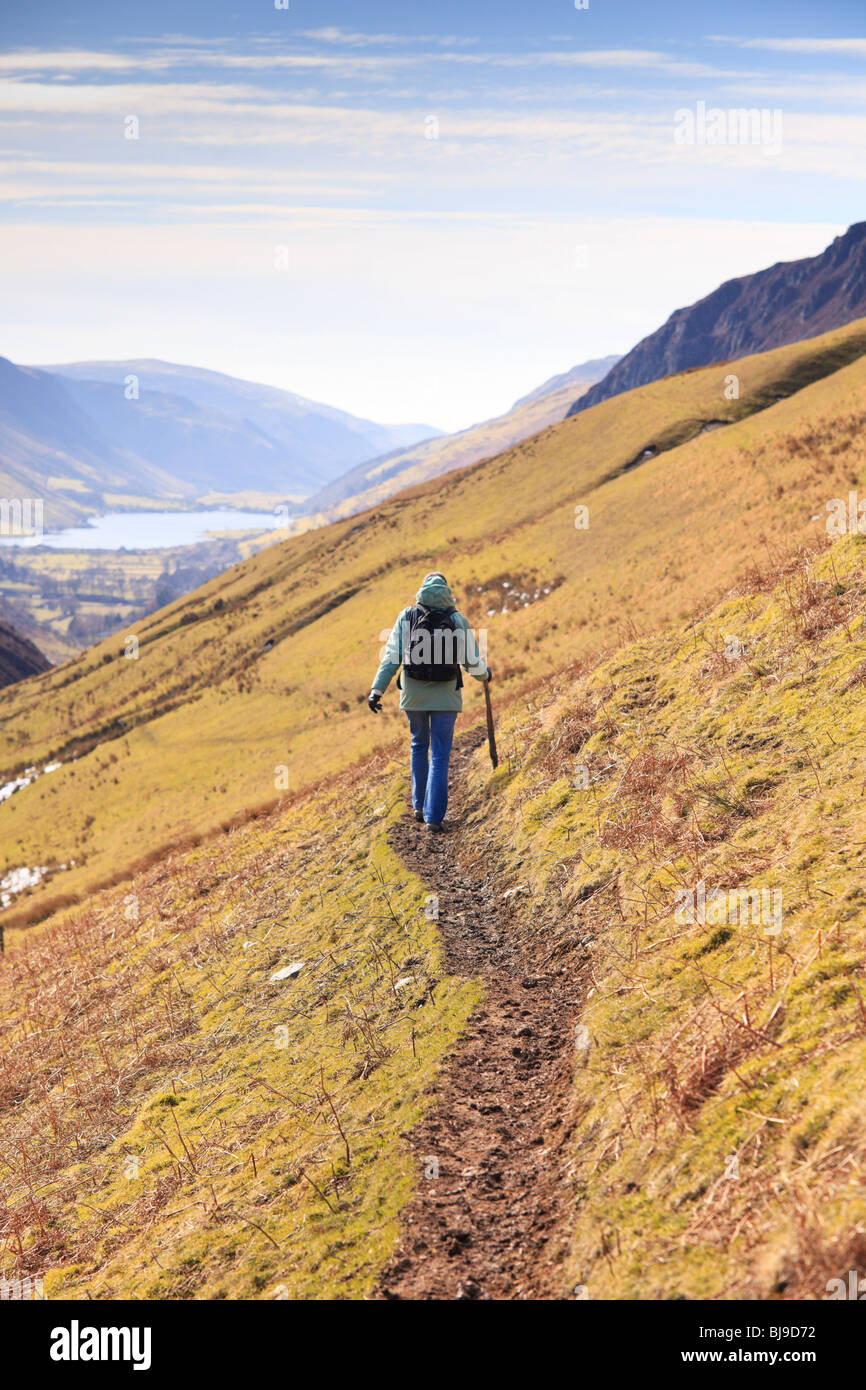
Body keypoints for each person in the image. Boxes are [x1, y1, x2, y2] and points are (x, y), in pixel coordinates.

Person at [368, 572, 491, 831]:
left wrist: (377, 690)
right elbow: (470, 661)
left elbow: (392, 657)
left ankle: (419, 807)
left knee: (418, 746)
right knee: (440, 755)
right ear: (447, 591)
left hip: (414, 696)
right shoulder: (457, 620)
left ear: (422, 590)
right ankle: (434, 819)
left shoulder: (408, 616)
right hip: (446, 697)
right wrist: (485, 674)